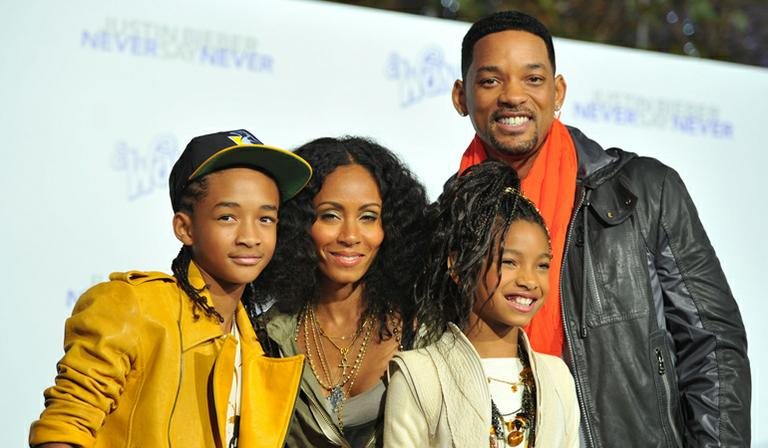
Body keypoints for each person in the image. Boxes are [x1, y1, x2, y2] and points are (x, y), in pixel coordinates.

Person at [450, 11, 750, 447]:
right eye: (491, 81)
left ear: (558, 92)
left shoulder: (644, 191)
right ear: (461, 97)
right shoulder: (449, 220)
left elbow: (713, 345)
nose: (513, 96)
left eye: (533, 80)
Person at [28, 129, 312, 448]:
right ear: (185, 228)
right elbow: (64, 428)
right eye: (228, 217)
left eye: (265, 219)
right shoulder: (134, 304)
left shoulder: (258, 344)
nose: (250, 236)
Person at [383, 161, 579, 447]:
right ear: (459, 267)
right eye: (509, 262)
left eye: (542, 265)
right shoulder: (420, 375)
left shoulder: (557, 376)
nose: (529, 280)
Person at [252, 136, 429, 447]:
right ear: (298, 223)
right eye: (330, 215)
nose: (350, 235)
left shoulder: (423, 331)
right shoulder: (265, 336)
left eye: (368, 217)